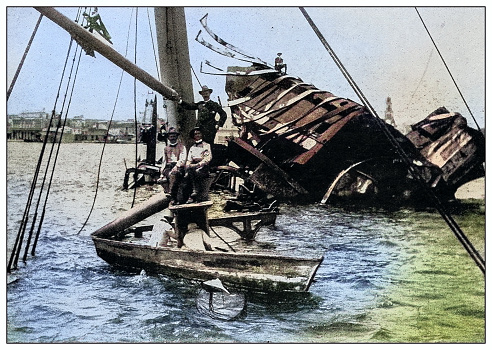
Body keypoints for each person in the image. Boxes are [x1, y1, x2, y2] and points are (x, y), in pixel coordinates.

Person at [158, 127, 187, 204]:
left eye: (174, 136)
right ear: (168, 137)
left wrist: (176, 166)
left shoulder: (182, 147)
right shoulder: (166, 148)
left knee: (173, 175)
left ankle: (172, 195)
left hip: (178, 166)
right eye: (171, 136)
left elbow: (182, 159)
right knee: (162, 179)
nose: (172, 138)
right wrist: (161, 172)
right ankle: (169, 193)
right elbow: (164, 161)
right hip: (168, 167)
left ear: (177, 137)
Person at [185, 127, 212, 203]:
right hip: (193, 165)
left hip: (203, 166)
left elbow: (208, 158)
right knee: (186, 174)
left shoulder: (206, 145)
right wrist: (188, 164)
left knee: (197, 172)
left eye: (198, 133)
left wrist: (199, 164)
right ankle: (188, 195)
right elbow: (189, 159)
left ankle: (196, 192)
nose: (197, 135)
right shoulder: (192, 147)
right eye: (195, 134)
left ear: (202, 135)